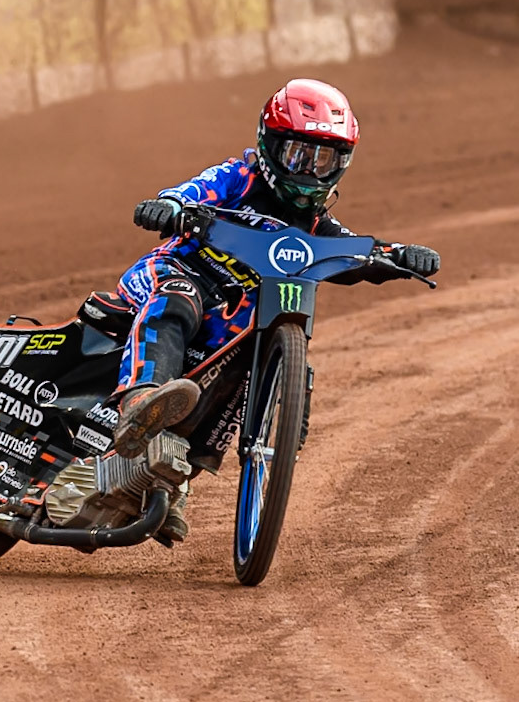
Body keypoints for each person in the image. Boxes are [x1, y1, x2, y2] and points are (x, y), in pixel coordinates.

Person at [111, 78, 440, 536]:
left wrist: (401, 256)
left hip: (230, 314)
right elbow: (189, 192)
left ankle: (170, 477)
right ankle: (141, 398)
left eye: (323, 158)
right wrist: (169, 207)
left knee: (249, 360)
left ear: (342, 164)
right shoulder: (238, 177)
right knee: (177, 301)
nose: (308, 170)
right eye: (297, 154)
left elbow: (358, 252)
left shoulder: (316, 224)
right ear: (269, 144)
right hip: (177, 272)